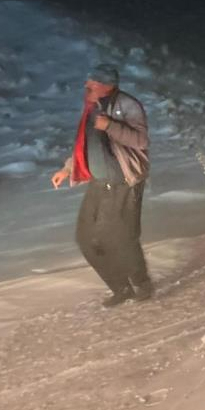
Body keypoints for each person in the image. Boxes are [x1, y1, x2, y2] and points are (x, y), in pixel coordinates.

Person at [51, 64, 153, 307]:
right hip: (99, 181)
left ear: (108, 86)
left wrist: (110, 126)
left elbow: (140, 140)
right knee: (86, 238)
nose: (88, 86)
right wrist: (67, 168)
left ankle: (140, 283)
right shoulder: (91, 108)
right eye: (89, 82)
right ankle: (120, 286)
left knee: (120, 236)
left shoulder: (127, 105)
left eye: (93, 83)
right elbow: (85, 144)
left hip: (122, 181)